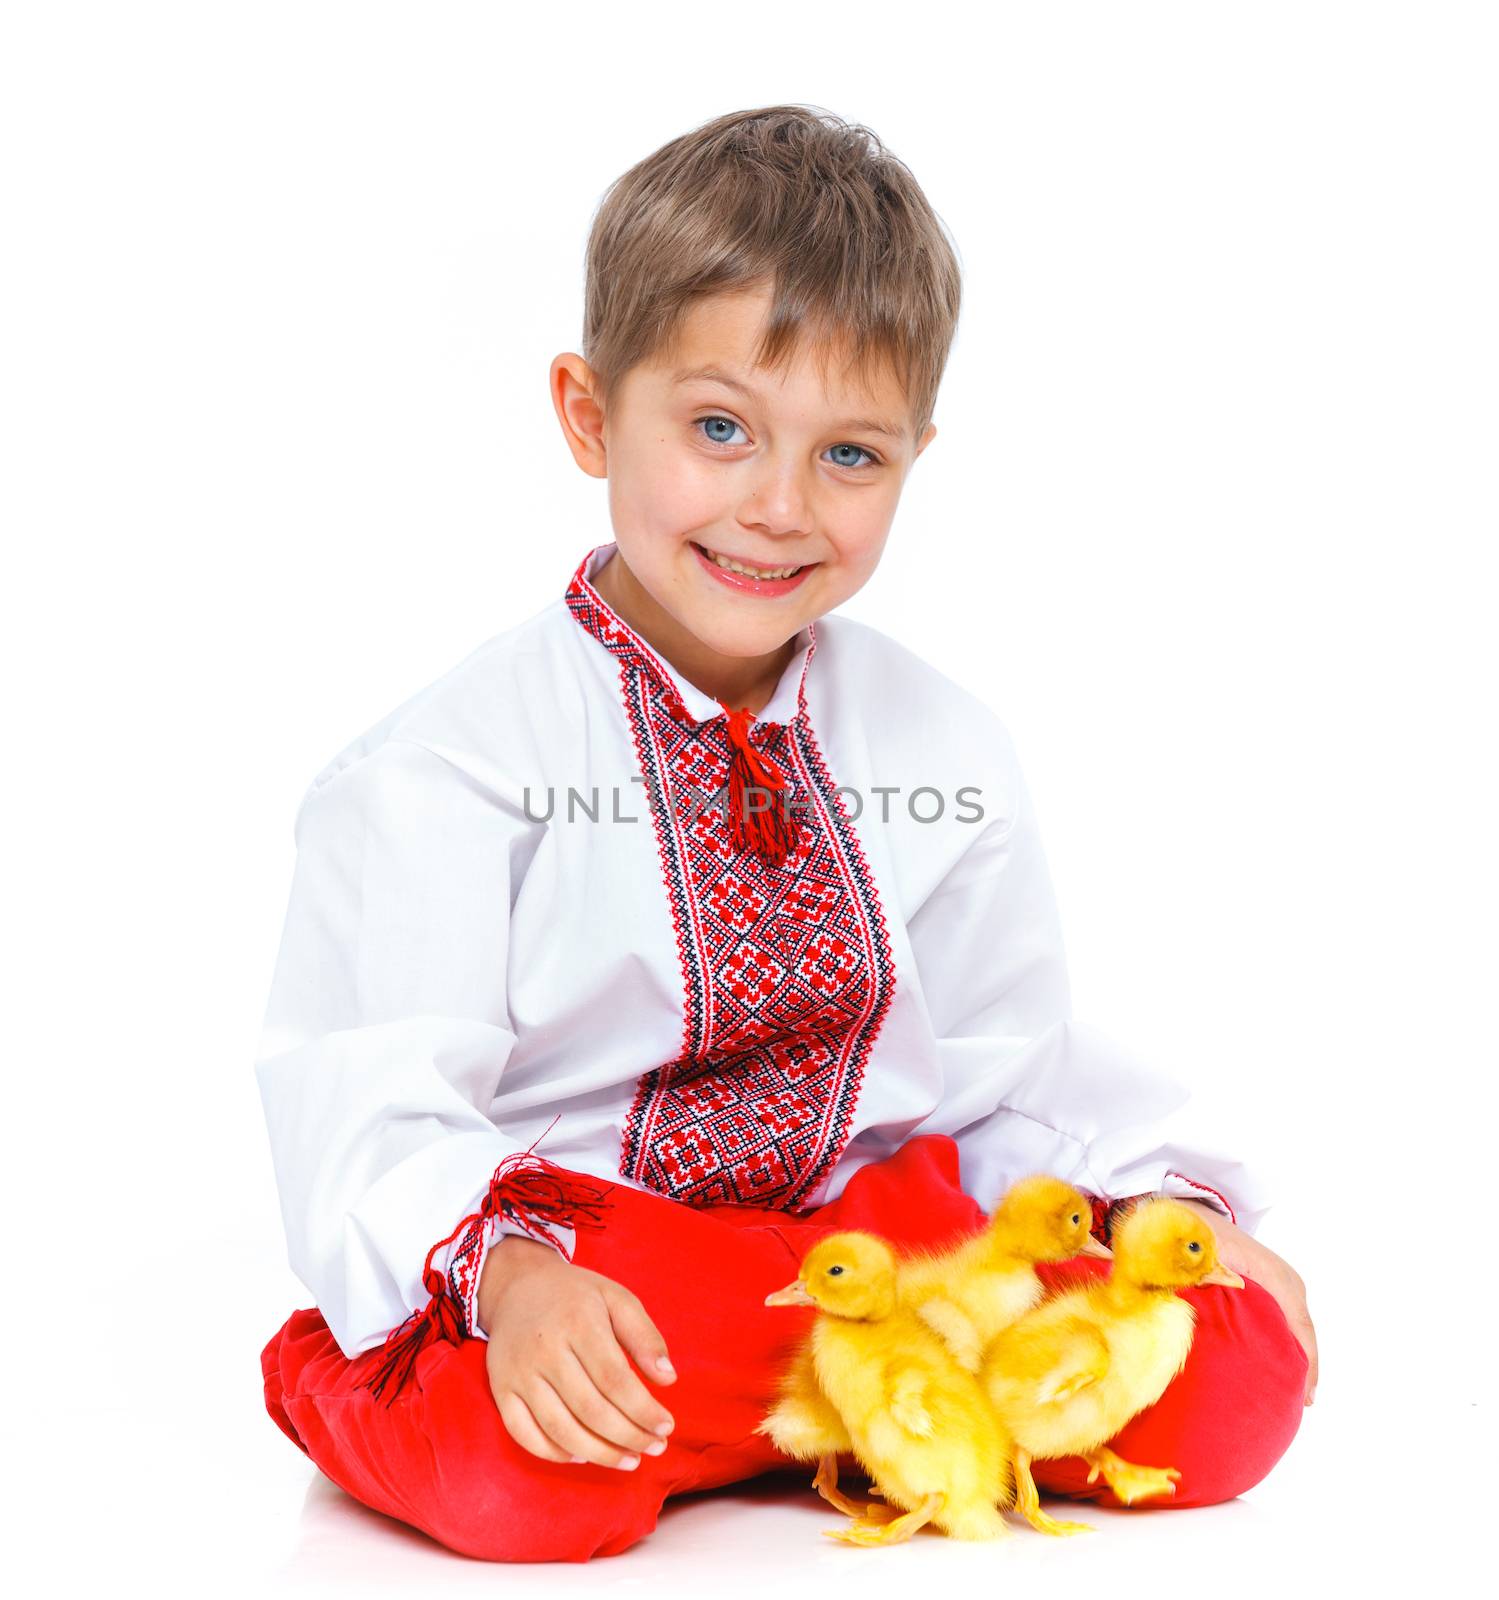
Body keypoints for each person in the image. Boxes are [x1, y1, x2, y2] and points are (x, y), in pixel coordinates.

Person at [256, 104, 1314, 1564]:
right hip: (603, 1271)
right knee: (531, 1482)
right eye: (717, 429)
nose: (777, 507)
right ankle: (357, 1371)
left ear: (916, 457)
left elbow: (1009, 1073)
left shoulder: (944, 745)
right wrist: (513, 1278)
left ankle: (831, 1401)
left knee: (1232, 1372)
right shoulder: (448, 766)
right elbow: (376, 1104)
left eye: (851, 456)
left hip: (873, 1262)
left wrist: (1162, 1206)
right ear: (587, 412)